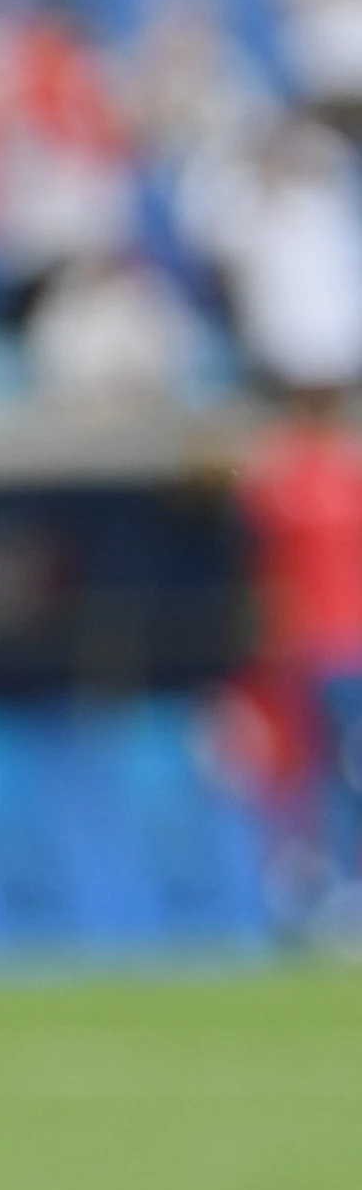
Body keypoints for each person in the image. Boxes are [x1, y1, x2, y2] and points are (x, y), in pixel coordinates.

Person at [242, 400, 362, 935]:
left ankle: (339, 891)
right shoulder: (284, 478)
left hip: (337, 652)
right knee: (301, 779)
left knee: (342, 778)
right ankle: (310, 891)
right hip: (307, 653)